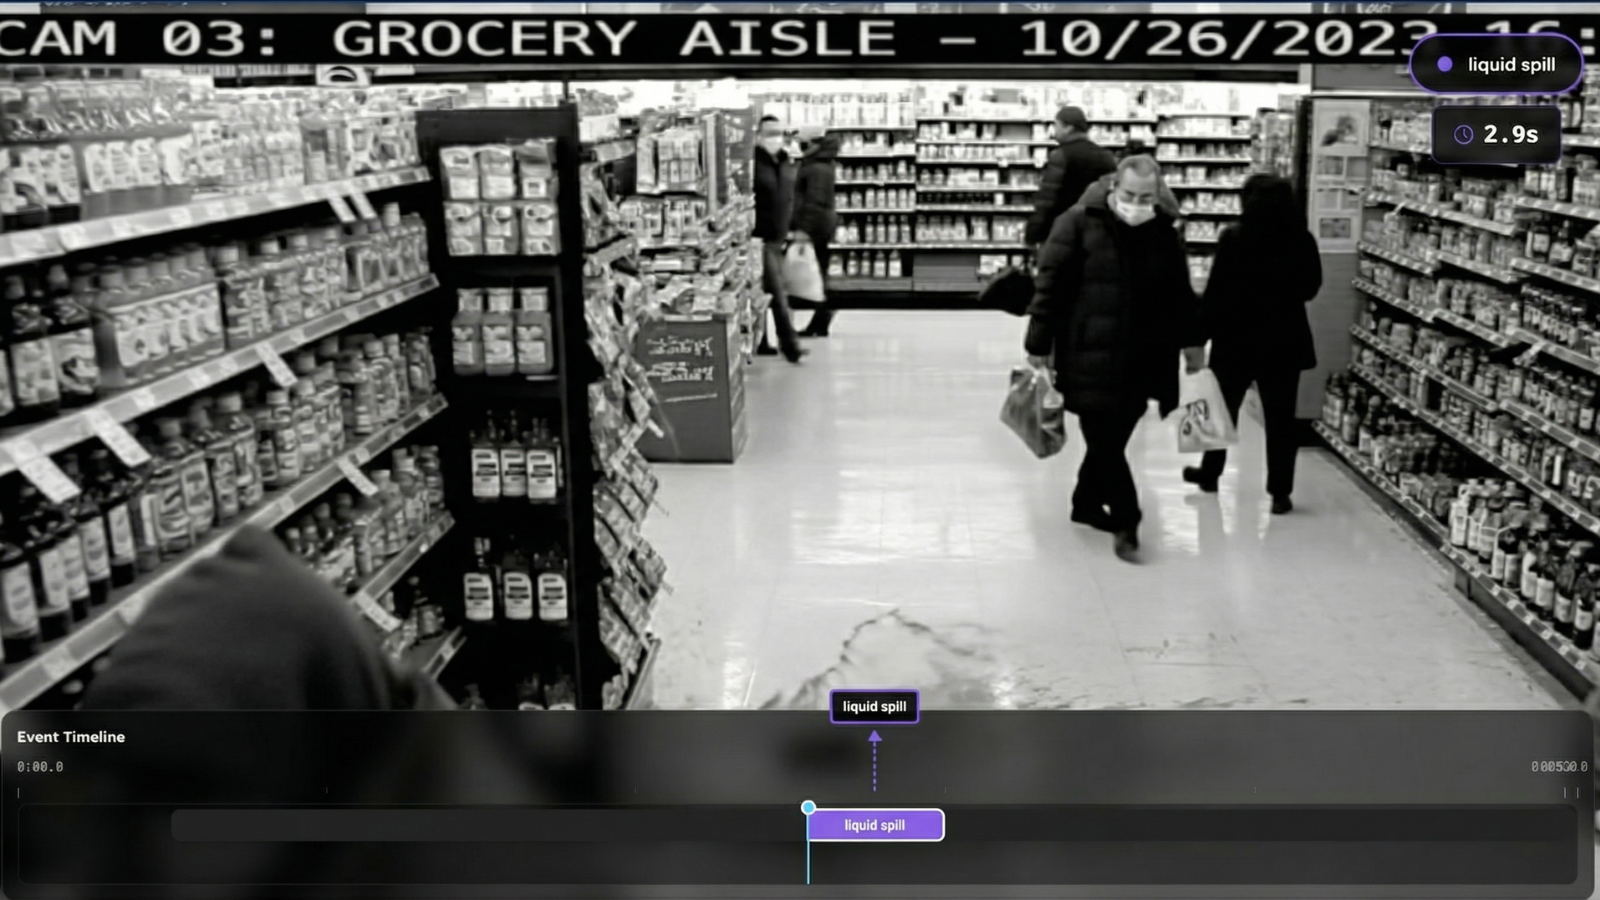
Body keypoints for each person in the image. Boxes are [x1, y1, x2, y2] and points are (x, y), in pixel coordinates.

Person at [1025, 155, 1206, 563]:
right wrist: (1038, 343)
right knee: (1105, 440)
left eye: (1146, 197)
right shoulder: (1075, 224)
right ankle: (1128, 518)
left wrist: (1194, 345)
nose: (1137, 204)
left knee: (1114, 436)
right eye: (1129, 195)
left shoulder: (1162, 232)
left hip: (1143, 357)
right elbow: (1050, 286)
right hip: (1087, 350)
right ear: (1113, 189)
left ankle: (1085, 502)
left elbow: (1179, 295)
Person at [1182, 173, 1323, 515]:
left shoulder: (1235, 237)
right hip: (1283, 341)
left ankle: (1210, 473)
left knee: (1222, 409)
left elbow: (1216, 293)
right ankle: (1280, 492)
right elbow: (1310, 287)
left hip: (1236, 339)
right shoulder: (1301, 239)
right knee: (1281, 421)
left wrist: (1197, 337)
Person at [752, 114, 806, 363]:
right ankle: (790, 344)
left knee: (766, 290)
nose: (774, 137)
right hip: (759, 236)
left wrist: (794, 227)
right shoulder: (753, 162)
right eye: (769, 132)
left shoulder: (786, 160)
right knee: (777, 291)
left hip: (780, 234)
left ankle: (761, 341)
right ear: (759, 134)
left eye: (778, 132)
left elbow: (790, 197)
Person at [1025, 105, 1117, 248]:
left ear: (1068, 128)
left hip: (1063, 231)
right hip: (1098, 232)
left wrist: (1034, 233)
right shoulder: (1106, 156)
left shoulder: (1061, 155)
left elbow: (1048, 199)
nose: (1054, 130)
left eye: (1056, 125)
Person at [791, 124, 839, 338]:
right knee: (818, 272)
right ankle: (822, 317)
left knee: (817, 273)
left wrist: (804, 231)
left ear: (813, 143)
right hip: (819, 226)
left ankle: (824, 314)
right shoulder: (818, 162)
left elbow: (815, 203)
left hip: (816, 228)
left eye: (803, 143)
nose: (799, 147)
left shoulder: (817, 167)